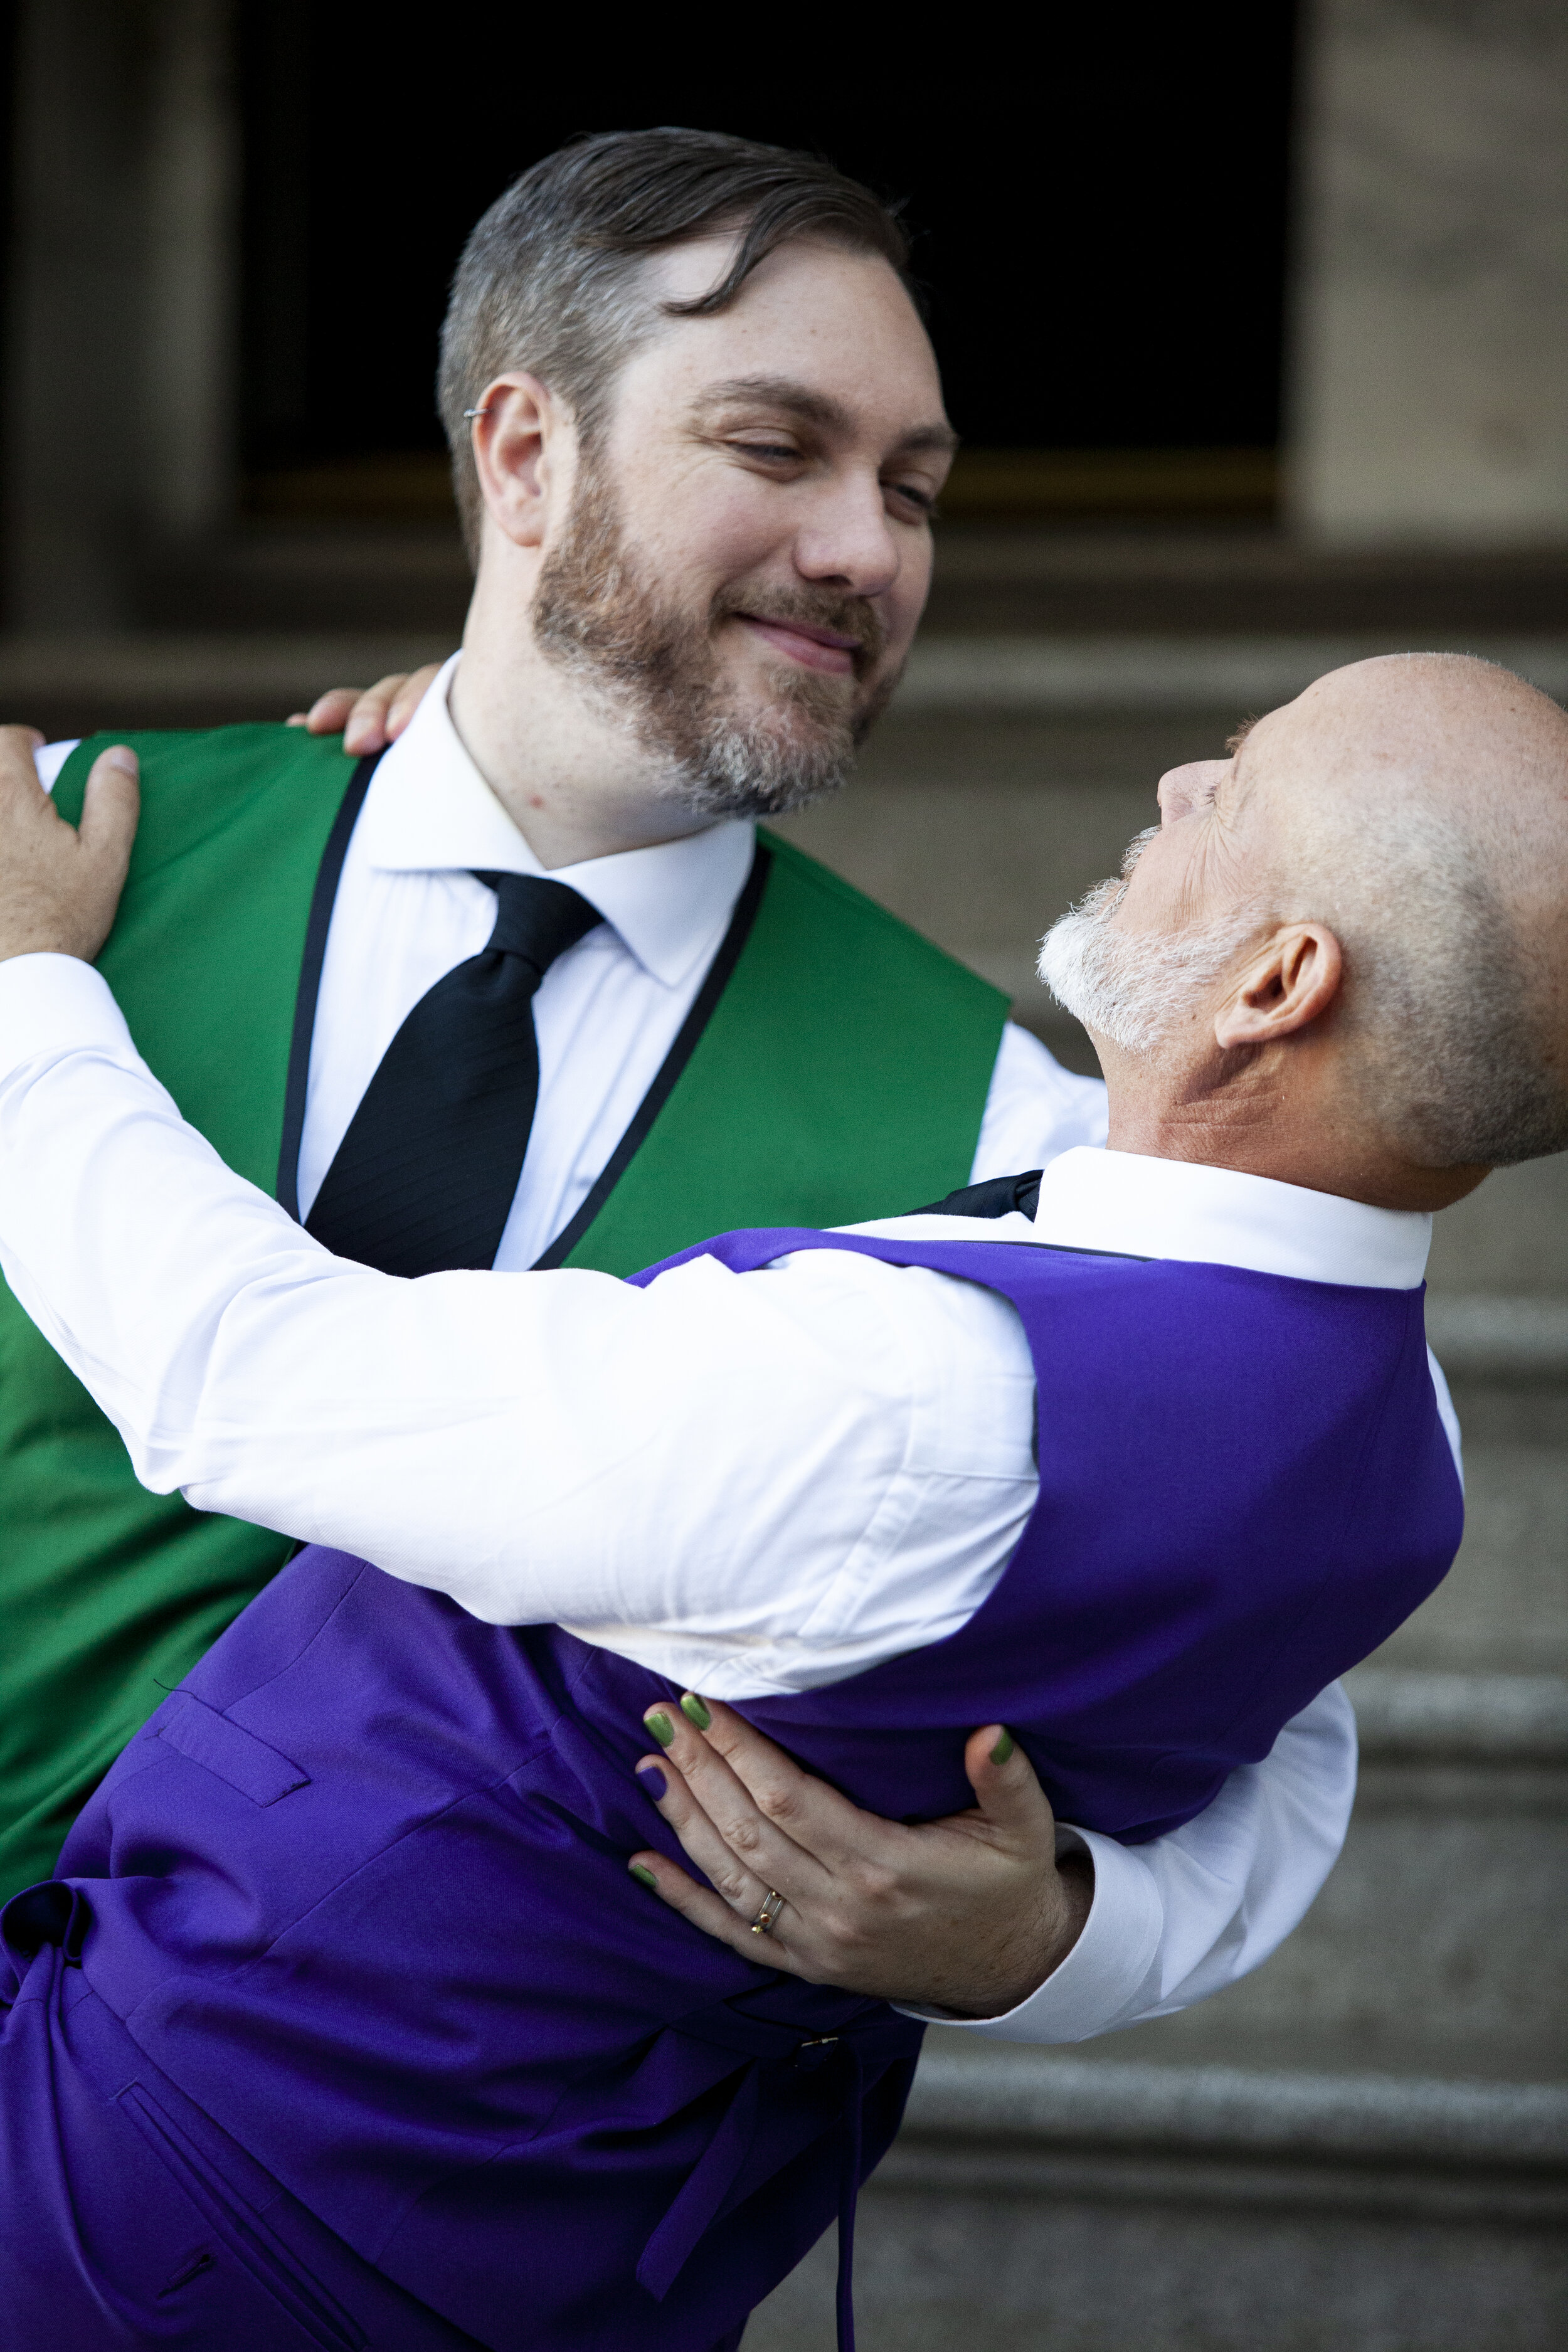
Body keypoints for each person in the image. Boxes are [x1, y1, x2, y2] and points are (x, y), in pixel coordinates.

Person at [4, 649, 1563, 2350]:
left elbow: (238, 1374)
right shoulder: (1399, 1439)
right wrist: (1068, 1937)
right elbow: (1284, 1741)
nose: (1180, 782)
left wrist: (26, 985)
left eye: (1238, 782)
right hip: (591, 2249)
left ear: (1276, 983)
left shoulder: (908, 1396)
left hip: (216, 2189)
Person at [0, 127, 1350, 2039]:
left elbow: (1269, 1665)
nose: (868, 551)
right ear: (524, 458)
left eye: (912, 488)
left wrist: (1062, 1936)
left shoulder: (1003, 1128)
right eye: (777, 447)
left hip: (466, 2165)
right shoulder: (50, 865)